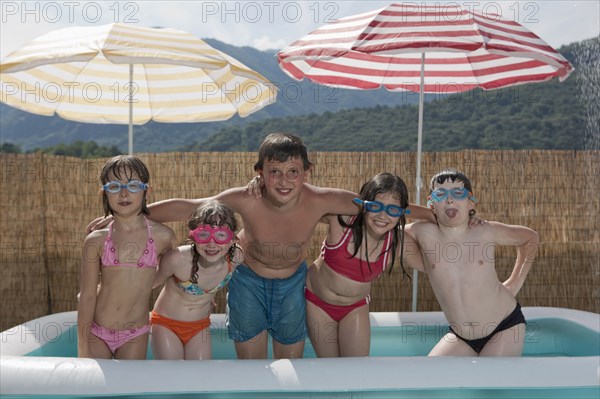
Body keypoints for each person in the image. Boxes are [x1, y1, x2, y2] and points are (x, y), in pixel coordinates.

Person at [88, 133, 433, 359]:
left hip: (293, 284)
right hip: (249, 281)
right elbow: (189, 207)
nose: (284, 181)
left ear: (307, 172)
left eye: (293, 172)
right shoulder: (246, 198)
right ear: (260, 172)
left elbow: (381, 207)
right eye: (274, 172)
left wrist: (437, 217)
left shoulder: (321, 200)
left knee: (289, 365)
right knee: (252, 366)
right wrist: (134, 213)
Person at [405, 168, 539, 357]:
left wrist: (515, 281)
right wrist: (426, 214)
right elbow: (389, 214)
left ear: (470, 202)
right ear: (431, 203)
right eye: (441, 194)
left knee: (490, 385)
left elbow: (530, 238)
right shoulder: (422, 232)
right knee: (431, 380)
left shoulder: (485, 231)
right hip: (461, 336)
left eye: (458, 193)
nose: (450, 199)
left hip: (504, 326)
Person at [306, 173, 425, 357]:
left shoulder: (399, 242)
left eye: (393, 210)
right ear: (364, 206)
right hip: (318, 305)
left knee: (356, 371)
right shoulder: (342, 221)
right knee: (330, 371)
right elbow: (306, 201)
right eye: (375, 206)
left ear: (402, 213)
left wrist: (433, 218)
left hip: (354, 308)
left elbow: (435, 267)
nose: (382, 216)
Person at [78, 155, 176, 359]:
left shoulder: (163, 237)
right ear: (104, 193)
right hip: (98, 331)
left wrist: (198, 294)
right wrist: (83, 346)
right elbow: (87, 296)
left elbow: (175, 272)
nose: (124, 193)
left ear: (146, 190)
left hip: (135, 333)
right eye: (114, 186)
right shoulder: (96, 240)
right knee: (96, 390)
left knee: (128, 390)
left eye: (133, 185)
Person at [150, 200, 243, 360]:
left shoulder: (236, 259)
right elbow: (146, 286)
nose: (211, 243)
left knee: (200, 378)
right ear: (192, 235)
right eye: (204, 234)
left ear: (232, 239)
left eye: (221, 235)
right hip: (166, 324)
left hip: (199, 327)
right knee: (173, 377)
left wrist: (209, 295)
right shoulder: (177, 259)